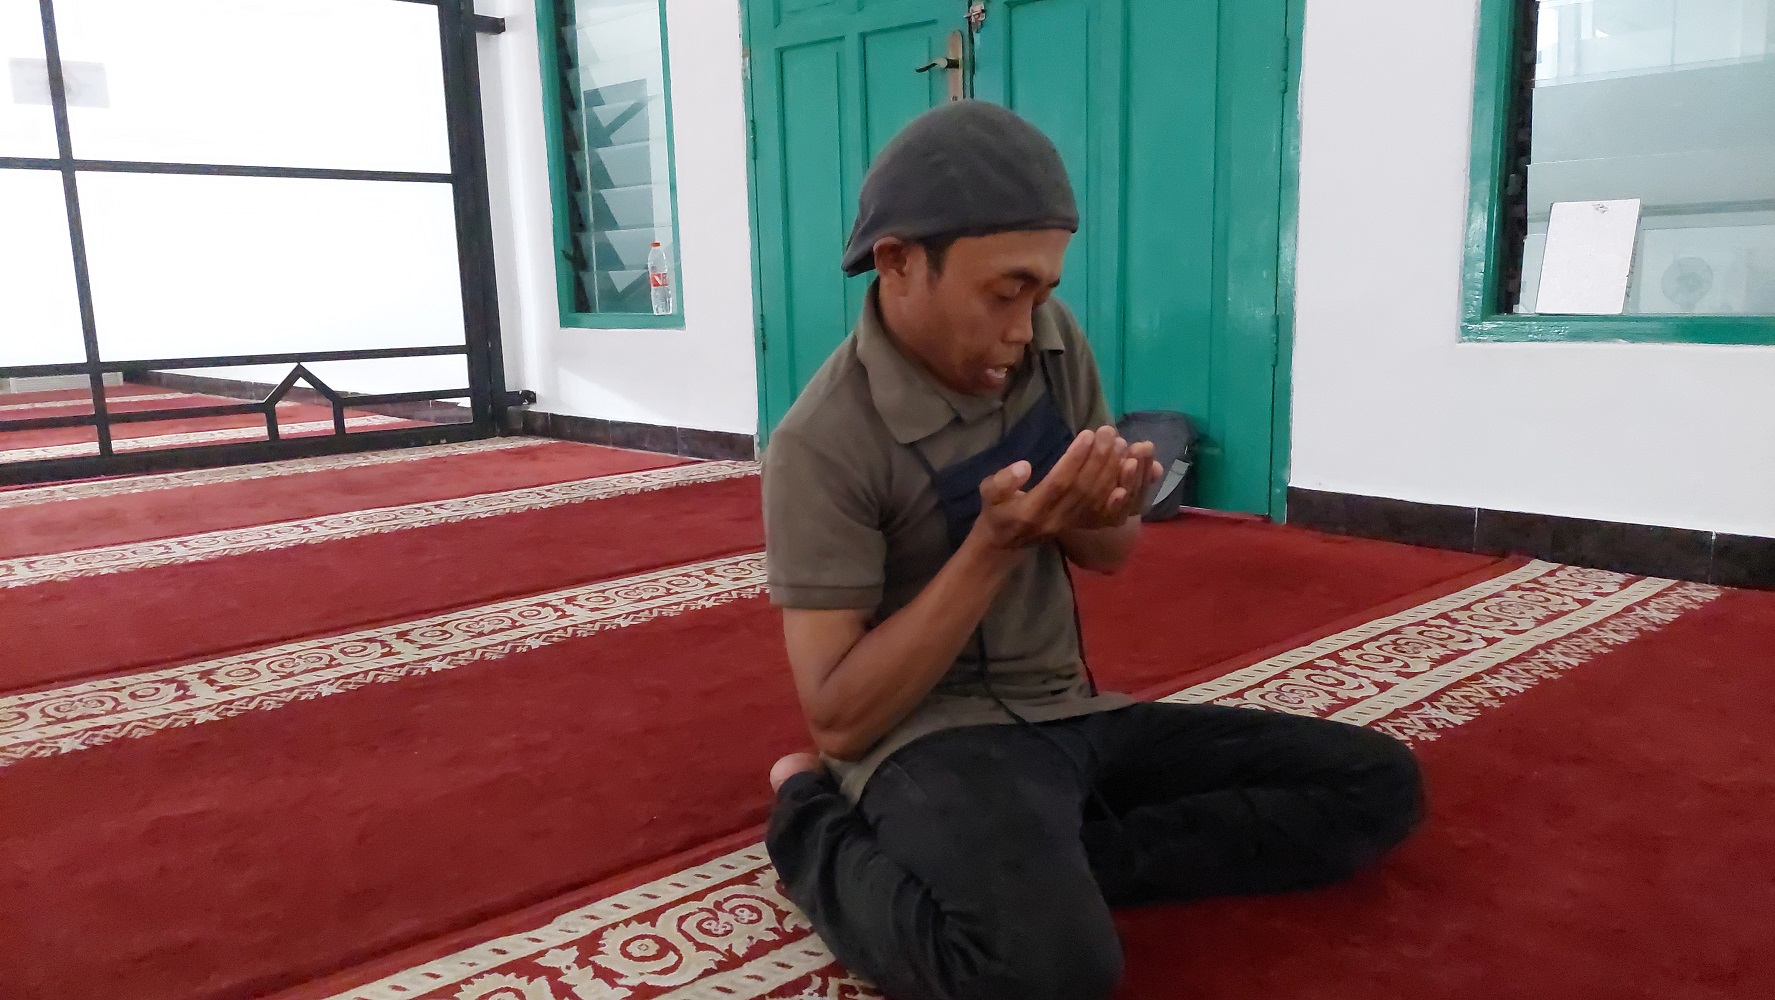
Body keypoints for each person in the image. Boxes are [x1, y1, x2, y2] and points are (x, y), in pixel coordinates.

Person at [760, 101, 1423, 1000]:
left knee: (1373, 784)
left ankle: (1056, 869)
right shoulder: (819, 445)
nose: (1024, 324)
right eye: (1004, 291)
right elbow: (839, 718)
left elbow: (1108, 554)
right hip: (933, 742)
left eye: (1042, 290)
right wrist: (991, 548)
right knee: (1047, 976)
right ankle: (805, 817)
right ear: (898, 262)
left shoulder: (1049, 340)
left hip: (1073, 718)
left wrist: (1104, 502)